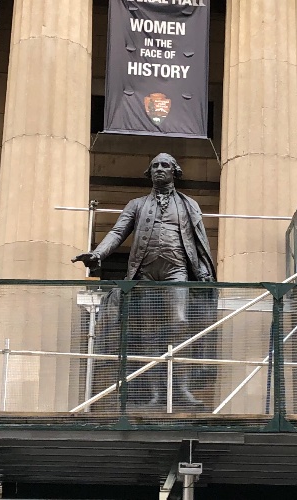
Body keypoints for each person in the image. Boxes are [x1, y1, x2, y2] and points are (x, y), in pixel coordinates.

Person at [73, 153, 217, 409]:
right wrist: (98, 254)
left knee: (180, 324)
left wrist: (205, 270)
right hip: (145, 272)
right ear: (149, 172)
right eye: (154, 166)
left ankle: (180, 386)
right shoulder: (136, 204)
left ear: (175, 171)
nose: (159, 169)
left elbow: (200, 241)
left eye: (165, 165)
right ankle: (156, 393)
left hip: (177, 270)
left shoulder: (189, 204)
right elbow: (118, 232)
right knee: (149, 335)